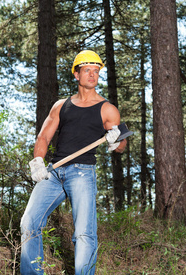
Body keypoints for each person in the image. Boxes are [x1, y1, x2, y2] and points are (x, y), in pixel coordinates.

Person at [20, 50, 127, 274]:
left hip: (82, 173)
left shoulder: (108, 109)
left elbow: (121, 146)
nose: (92, 74)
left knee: (84, 233)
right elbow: (44, 137)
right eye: (87, 70)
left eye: (96, 71)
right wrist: (38, 161)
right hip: (54, 173)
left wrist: (115, 141)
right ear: (76, 75)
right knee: (29, 222)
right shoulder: (61, 105)